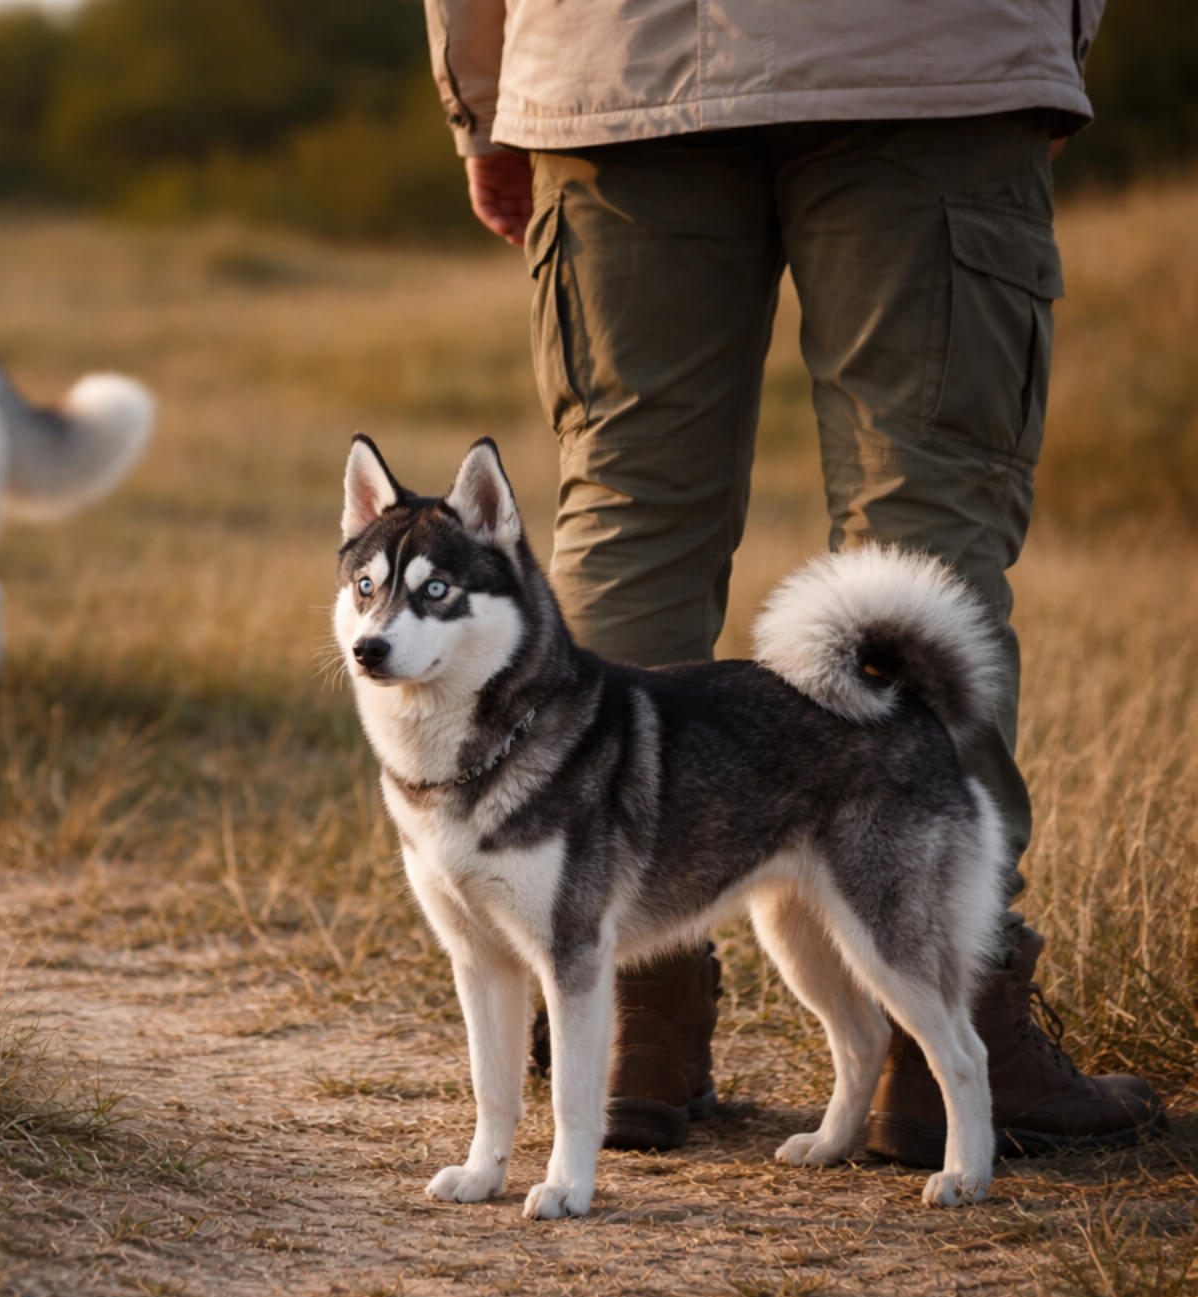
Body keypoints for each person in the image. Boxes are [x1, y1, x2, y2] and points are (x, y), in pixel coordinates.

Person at [420, 0, 1162, 1165]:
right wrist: (1045, 48)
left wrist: (483, 101)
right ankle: (947, 1042)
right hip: (929, 55)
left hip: (614, 58)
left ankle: (632, 1033)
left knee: (628, 508)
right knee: (924, 513)